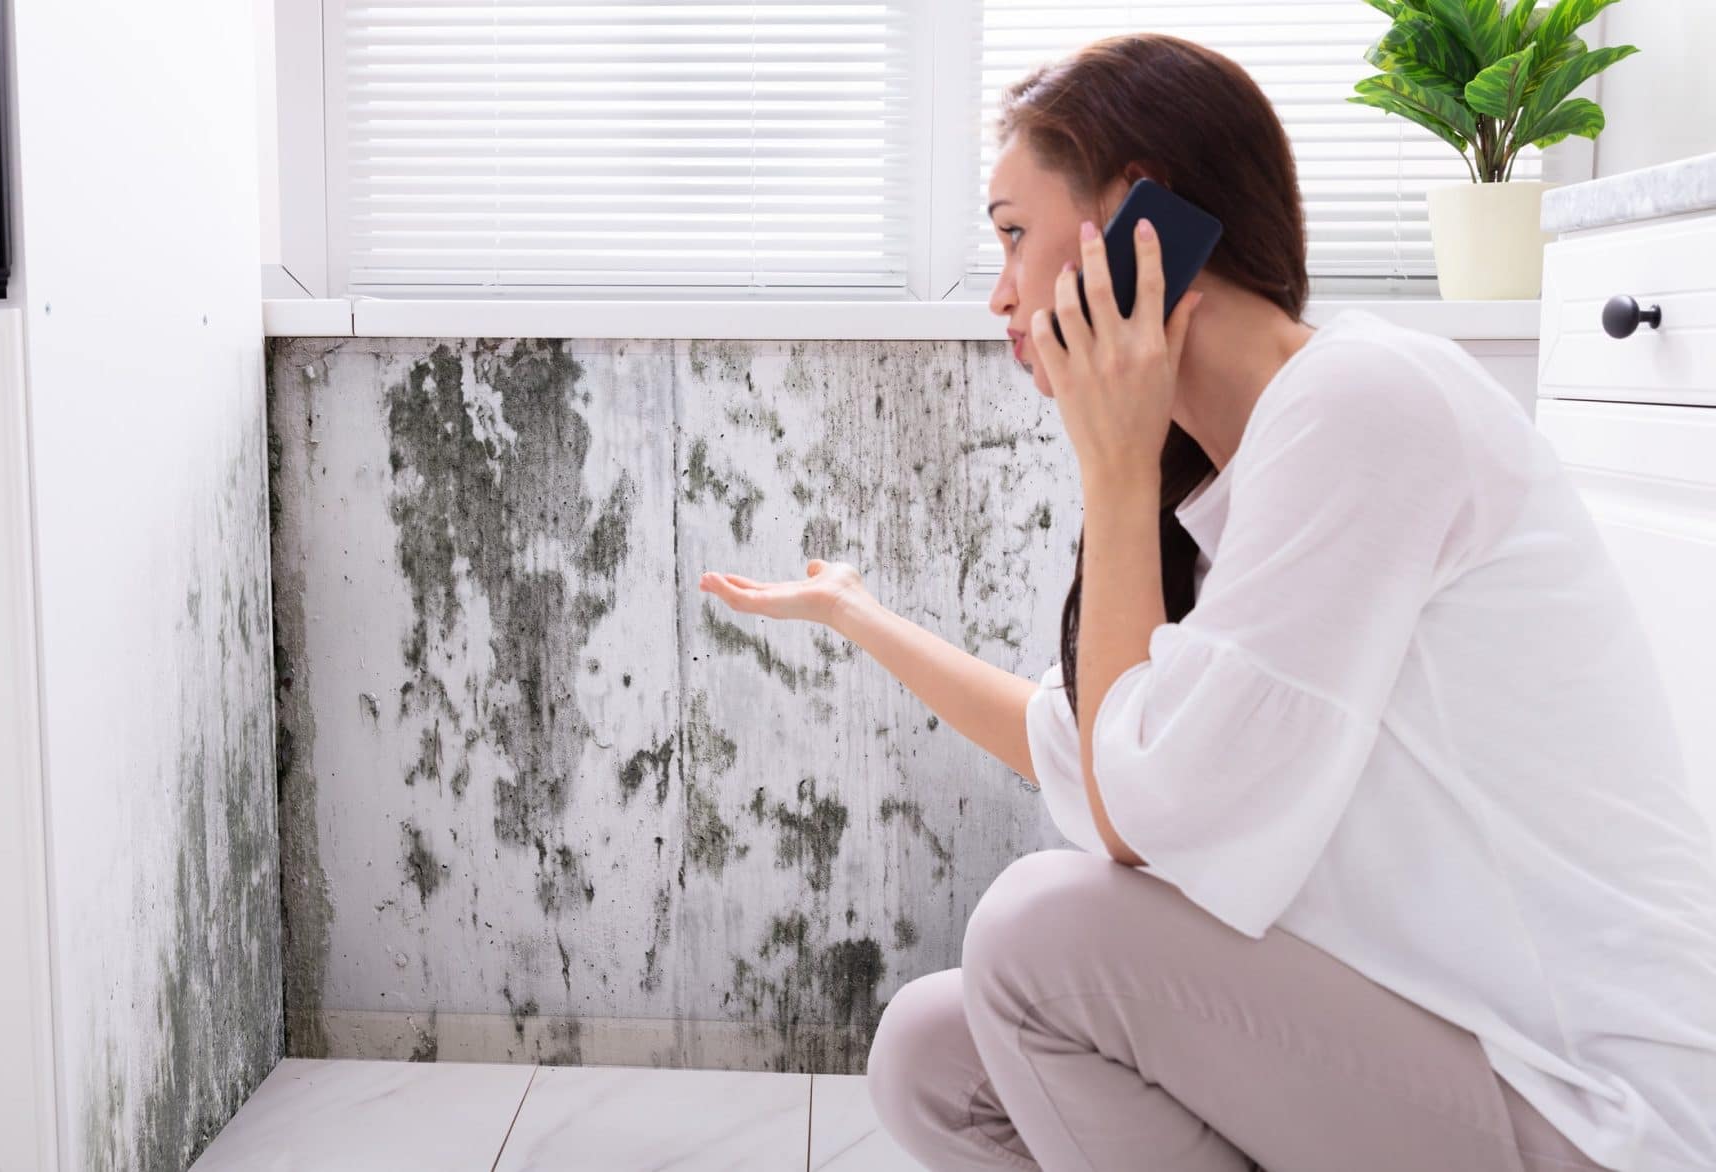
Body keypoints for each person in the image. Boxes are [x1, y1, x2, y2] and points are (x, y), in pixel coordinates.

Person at [696, 32, 1716, 1172]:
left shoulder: (1364, 404)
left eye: (1012, 235)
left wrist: (1114, 467)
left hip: (1587, 1111)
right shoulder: (1248, 482)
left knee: (1038, 932)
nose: (996, 295)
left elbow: (1144, 820)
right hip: (1446, 1068)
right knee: (933, 1049)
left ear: (1140, 224)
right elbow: (1078, 744)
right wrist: (854, 612)